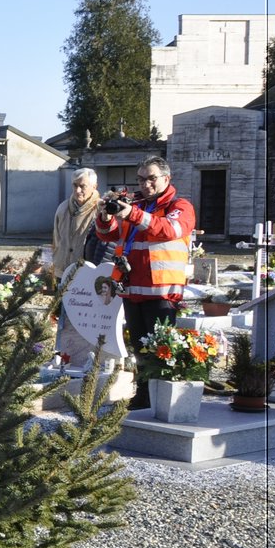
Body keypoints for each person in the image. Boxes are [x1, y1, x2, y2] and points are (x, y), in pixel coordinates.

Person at [94, 155, 196, 409]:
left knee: (161, 350)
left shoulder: (179, 205)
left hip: (162, 292)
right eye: (141, 179)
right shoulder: (136, 205)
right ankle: (143, 396)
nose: (146, 184)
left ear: (166, 178)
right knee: (139, 348)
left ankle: (161, 400)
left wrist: (133, 213)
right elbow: (109, 235)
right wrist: (105, 217)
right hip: (132, 288)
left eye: (152, 178)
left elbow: (168, 229)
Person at [53, 167, 109, 277]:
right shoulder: (62, 208)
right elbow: (56, 240)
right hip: (61, 272)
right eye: (75, 185)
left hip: (87, 274)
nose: (77, 190)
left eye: (82, 186)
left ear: (94, 187)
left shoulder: (102, 211)